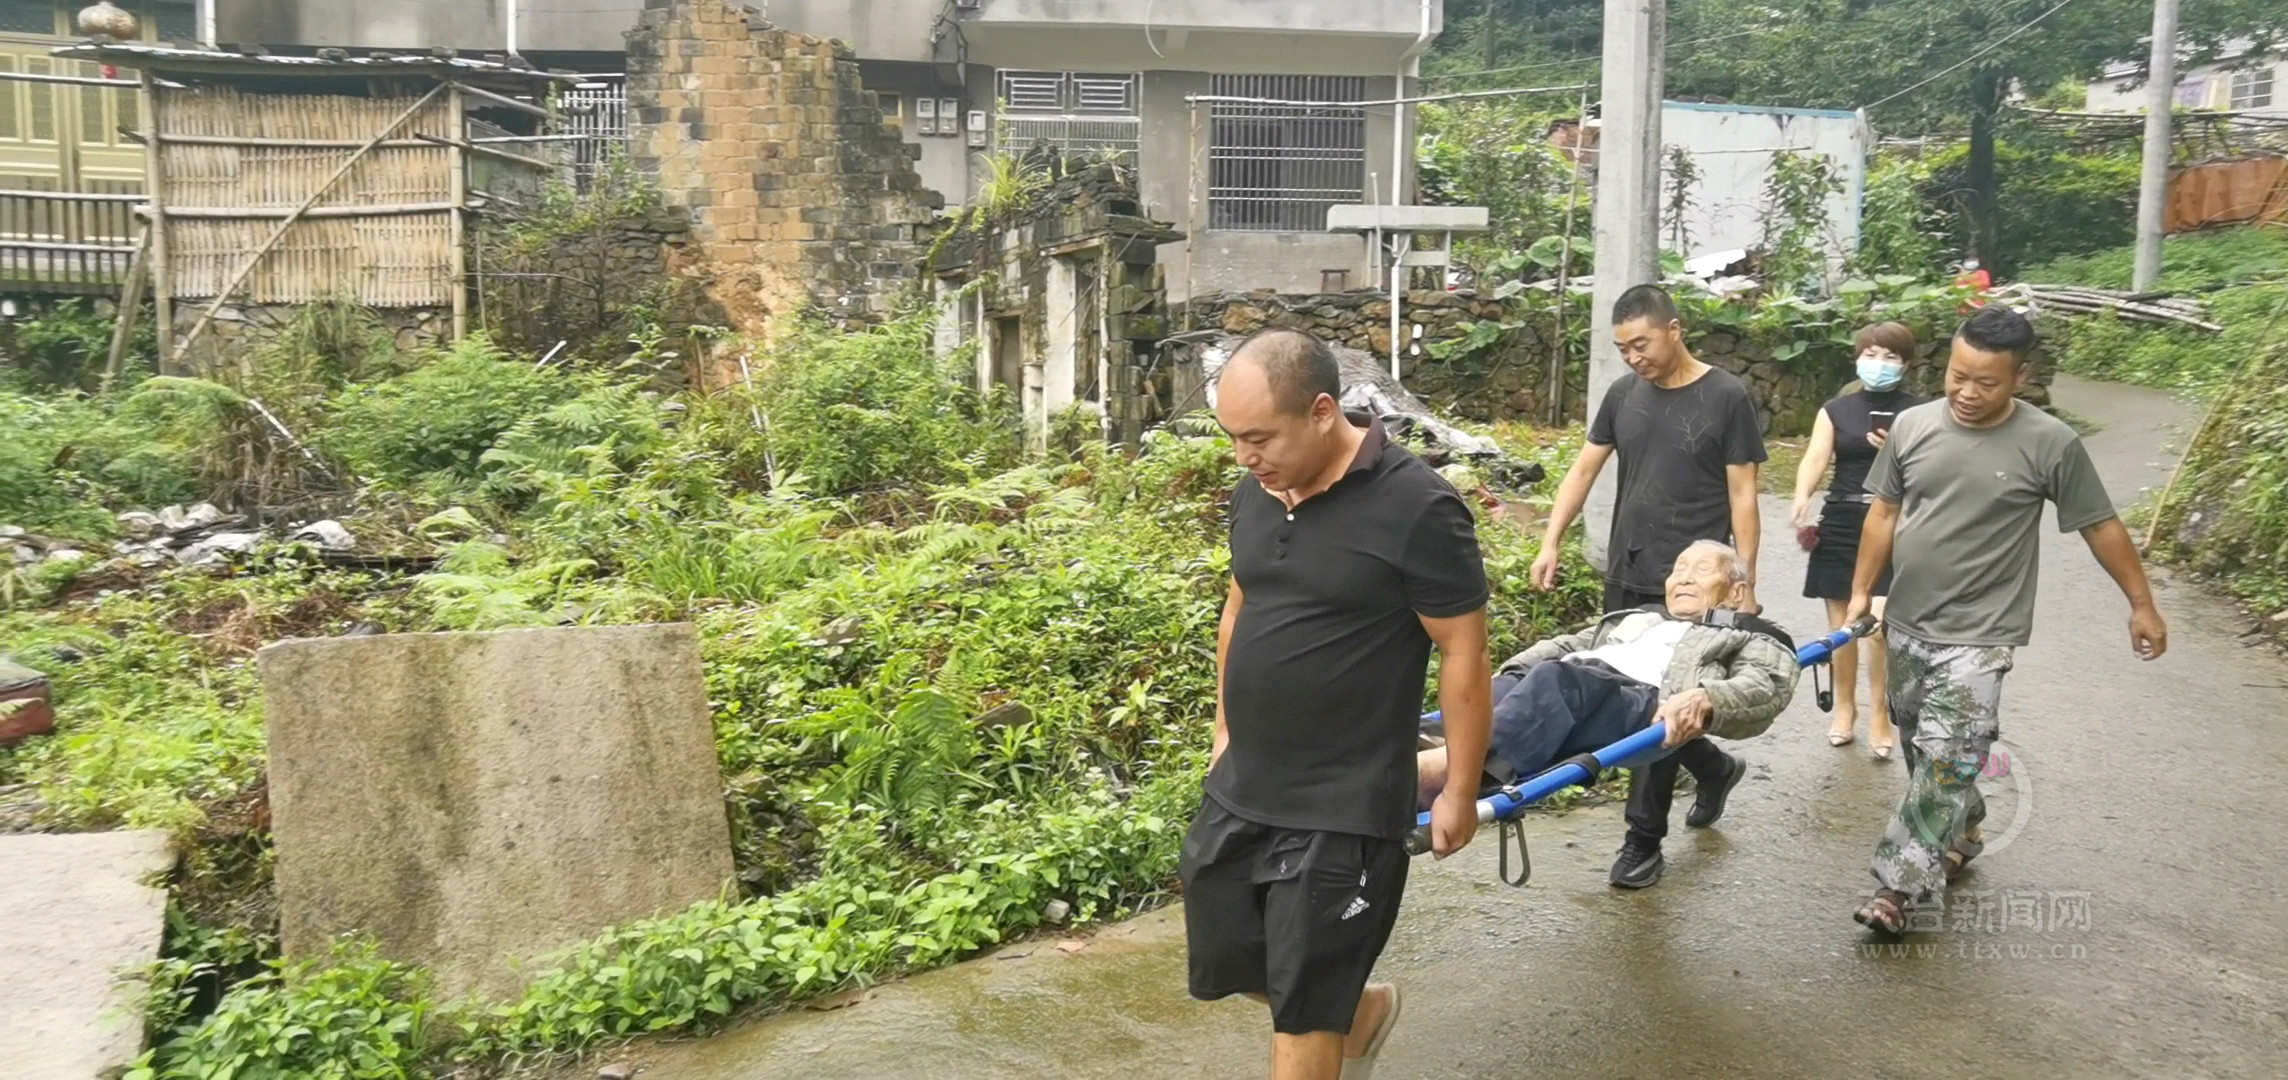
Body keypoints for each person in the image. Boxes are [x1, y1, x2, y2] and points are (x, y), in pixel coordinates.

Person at [1186, 327, 1494, 1080]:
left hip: (1346, 804)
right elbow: (1239, 607)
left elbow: (1464, 651)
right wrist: (1225, 725)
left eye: (1259, 437)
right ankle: (1359, 1012)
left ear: (1323, 412)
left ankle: (1330, 1012)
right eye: (1232, 438)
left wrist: (1459, 787)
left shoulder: (1418, 507)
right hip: (1247, 781)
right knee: (1226, 957)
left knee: (1303, 1012)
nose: (1242, 456)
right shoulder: (1254, 494)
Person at [1845, 306, 2168, 934]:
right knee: (1926, 748)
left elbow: (2099, 525)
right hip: (1910, 621)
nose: (1966, 393)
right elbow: (1883, 512)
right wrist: (1861, 593)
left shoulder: (2051, 443)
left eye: (1985, 383)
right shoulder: (1912, 427)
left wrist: (2141, 603)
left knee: (1944, 757)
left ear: (2019, 379)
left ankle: (1897, 889)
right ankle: (1962, 829)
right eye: (1957, 376)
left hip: (1983, 634)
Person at [1530, 283, 1768, 888]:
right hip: (1630, 571)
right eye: (1623, 348)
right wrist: (1551, 539)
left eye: (1641, 344)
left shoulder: (1725, 396)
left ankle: (1642, 841)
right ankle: (1713, 768)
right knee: (1627, 700)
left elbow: (1744, 495)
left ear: (1674, 329)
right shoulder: (1622, 394)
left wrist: (1746, 581)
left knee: (1659, 708)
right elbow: (1584, 467)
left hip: (1695, 587)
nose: (1633, 358)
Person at [1415, 541, 1797, 820]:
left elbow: (1768, 684)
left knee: (1560, 678)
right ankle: (1412, 748)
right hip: (1571, 688)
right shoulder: (1640, 617)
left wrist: (1707, 696)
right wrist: (1513, 669)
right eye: (1678, 568)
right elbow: (1569, 643)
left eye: (1701, 569)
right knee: (1516, 682)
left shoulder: (1750, 635)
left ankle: (1451, 775)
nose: (1683, 578)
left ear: (1735, 592)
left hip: (1641, 703)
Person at [1788, 322, 1930, 759]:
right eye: (1870, 355)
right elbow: (1815, 457)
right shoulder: (1836, 410)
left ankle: (1879, 716)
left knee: (1879, 630)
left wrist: (1894, 450)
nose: (1879, 365)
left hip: (1895, 524)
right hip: (1842, 522)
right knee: (1841, 630)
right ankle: (1844, 709)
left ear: (1905, 364)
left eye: (1889, 357)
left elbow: (1932, 468)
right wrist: (1800, 496)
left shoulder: (1921, 412)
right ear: (1857, 358)